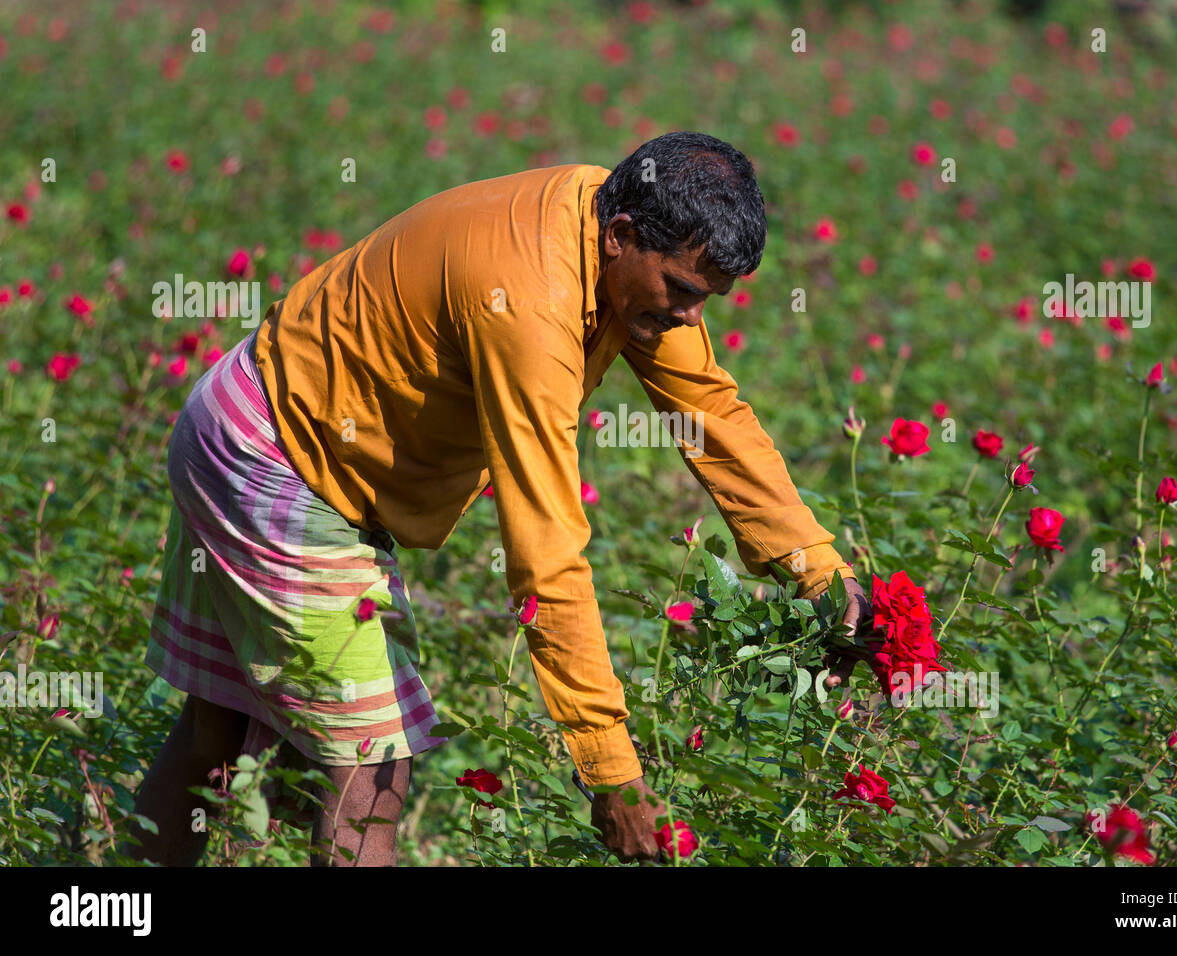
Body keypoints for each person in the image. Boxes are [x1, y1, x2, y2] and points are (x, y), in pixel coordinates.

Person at [128, 130, 873, 867]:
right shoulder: (532, 302)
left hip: (249, 416)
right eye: (682, 292)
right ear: (620, 236)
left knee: (218, 735)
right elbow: (547, 555)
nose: (691, 317)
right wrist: (609, 767)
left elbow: (711, 416)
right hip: (276, 460)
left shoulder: (619, 228)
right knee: (370, 774)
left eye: (707, 298)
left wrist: (816, 570)